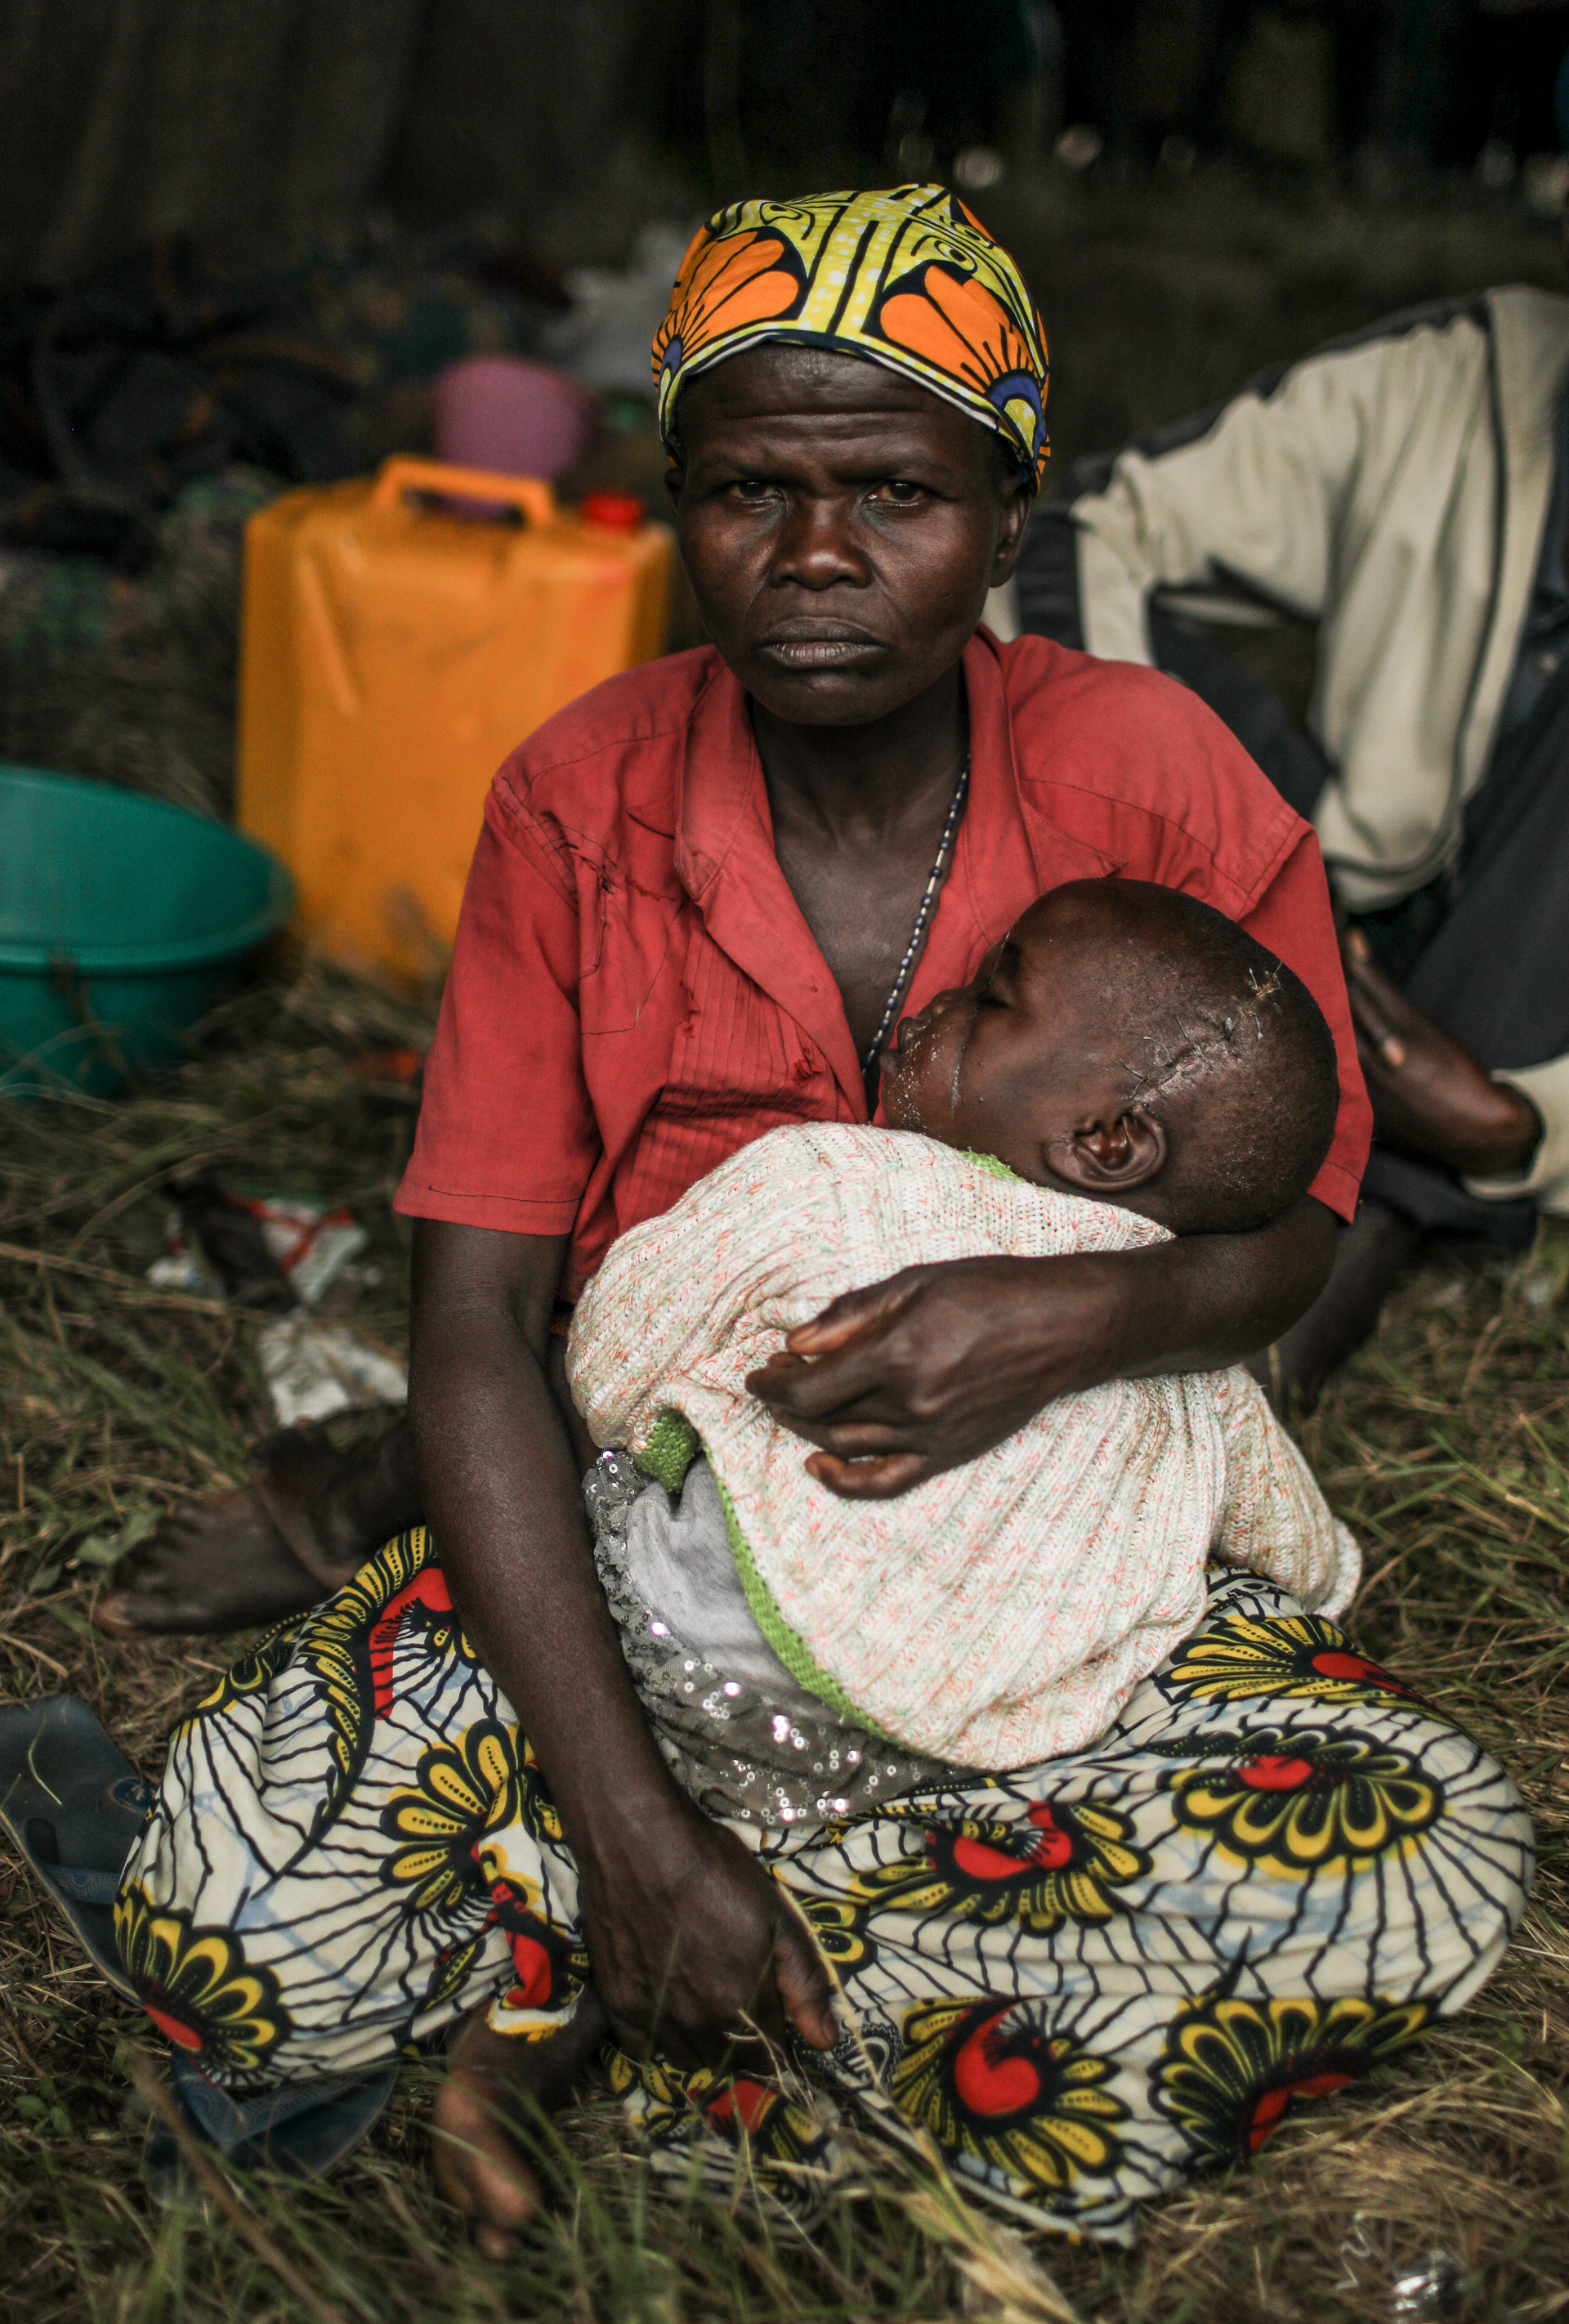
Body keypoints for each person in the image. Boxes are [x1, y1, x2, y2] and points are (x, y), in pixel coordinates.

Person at [105, 188, 1530, 2257]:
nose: (821, 554)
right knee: (218, 1918)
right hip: (644, 1566)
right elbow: (484, 1327)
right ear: (673, 498)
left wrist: (1052, 1329)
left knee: (1417, 1850)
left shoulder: (1150, 771)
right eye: (751, 487)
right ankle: (739, 1961)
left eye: (895, 490)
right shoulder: (576, 799)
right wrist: (629, 1815)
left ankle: (641, 1993)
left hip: (1031, 1601)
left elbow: (1296, 1231)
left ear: (1009, 511)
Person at [568, 878, 1360, 1784]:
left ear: (1107, 1141)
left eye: (989, 999)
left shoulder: (844, 1181)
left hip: (691, 1642)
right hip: (961, 1737)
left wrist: (636, 1437)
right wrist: (1325, 1590)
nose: (934, 1003)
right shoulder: (1197, 1370)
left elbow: (619, 1340)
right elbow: (1295, 1536)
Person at [1011, 281, 1569, 1404]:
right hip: (1334, 902)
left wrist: (1521, 1125)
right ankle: (1313, 1109)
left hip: (1524, 1013)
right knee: (1047, 601)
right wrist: (1165, 882)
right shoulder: (1458, 375)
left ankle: (1375, 1199)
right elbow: (1087, 524)